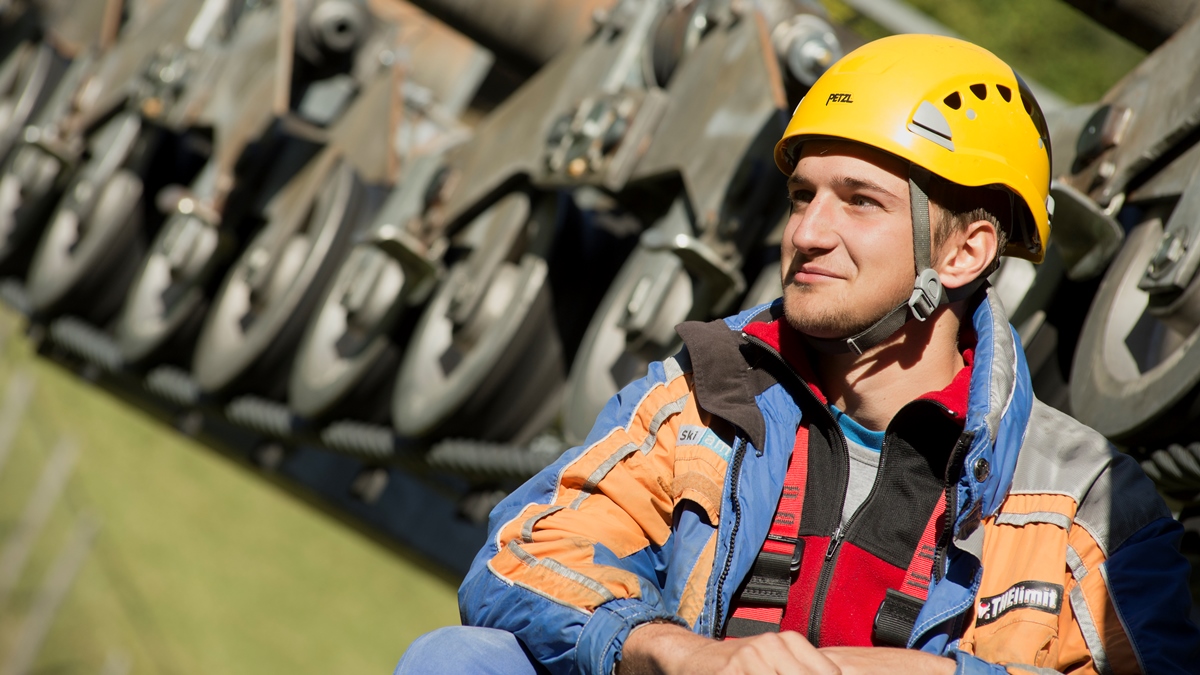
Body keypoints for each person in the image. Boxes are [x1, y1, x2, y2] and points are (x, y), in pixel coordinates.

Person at [397, 34, 1199, 674]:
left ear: (963, 253)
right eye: (803, 195)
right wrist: (683, 654)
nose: (808, 231)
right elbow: (524, 557)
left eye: (859, 200)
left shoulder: (1084, 499)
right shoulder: (703, 393)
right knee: (460, 660)